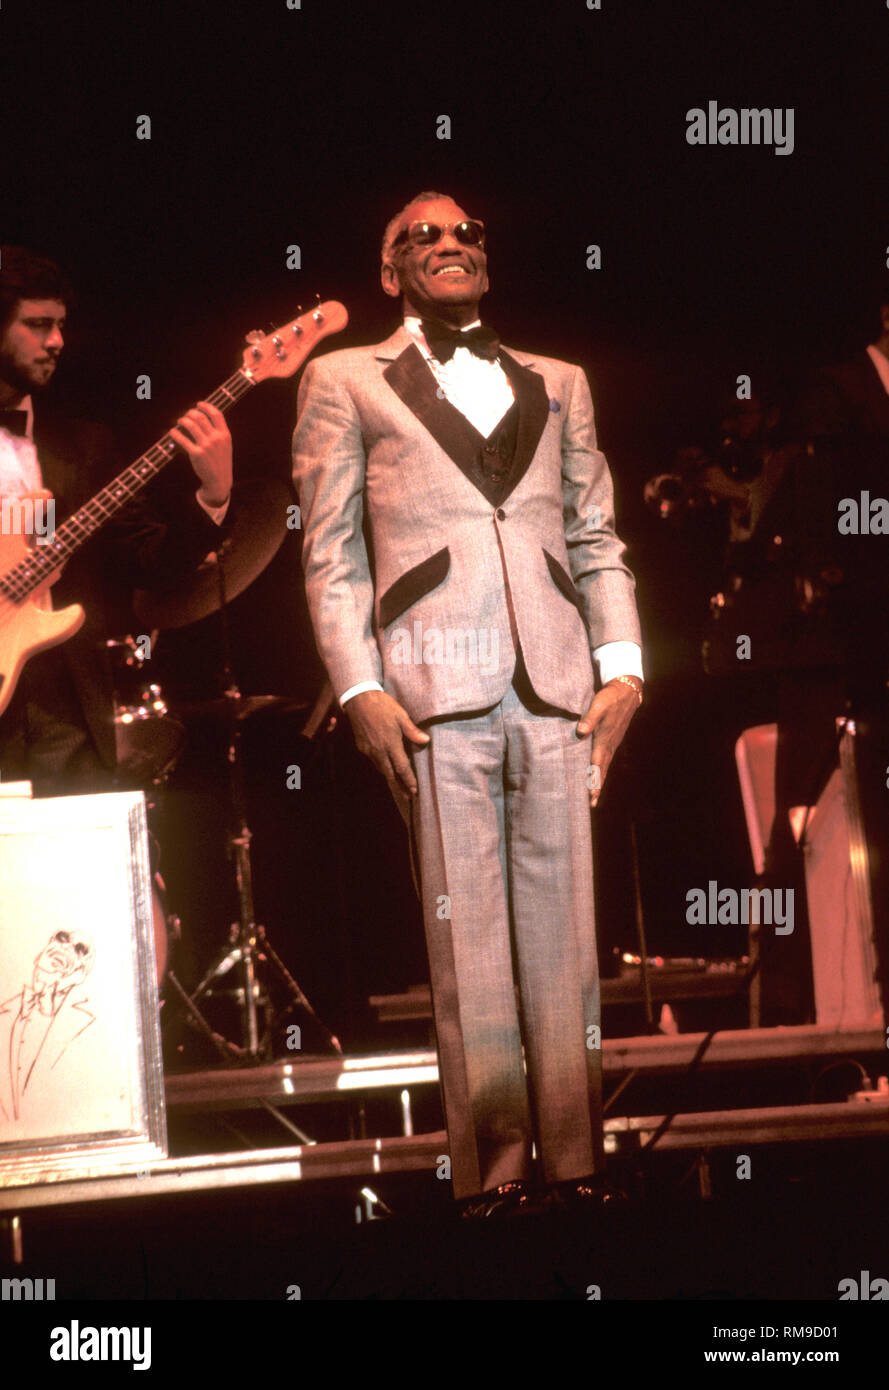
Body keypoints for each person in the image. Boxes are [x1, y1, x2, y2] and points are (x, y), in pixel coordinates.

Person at [293, 192, 643, 1212]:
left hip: (556, 685)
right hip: (433, 689)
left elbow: (594, 535)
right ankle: (493, 1188)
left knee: (564, 943)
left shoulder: (558, 381)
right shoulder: (341, 378)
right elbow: (330, 553)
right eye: (423, 236)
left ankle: (577, 1173)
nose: (451, 244)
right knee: (471, 946)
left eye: (470, 233)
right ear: (388, 270)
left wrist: (622, 665)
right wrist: (357, 684)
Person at [0, 246, 233, 794]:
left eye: (59, 325)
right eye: (37, 325)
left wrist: (214, 494)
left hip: (69, 720)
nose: (57, 341)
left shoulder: (85, 447)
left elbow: (152, 561)